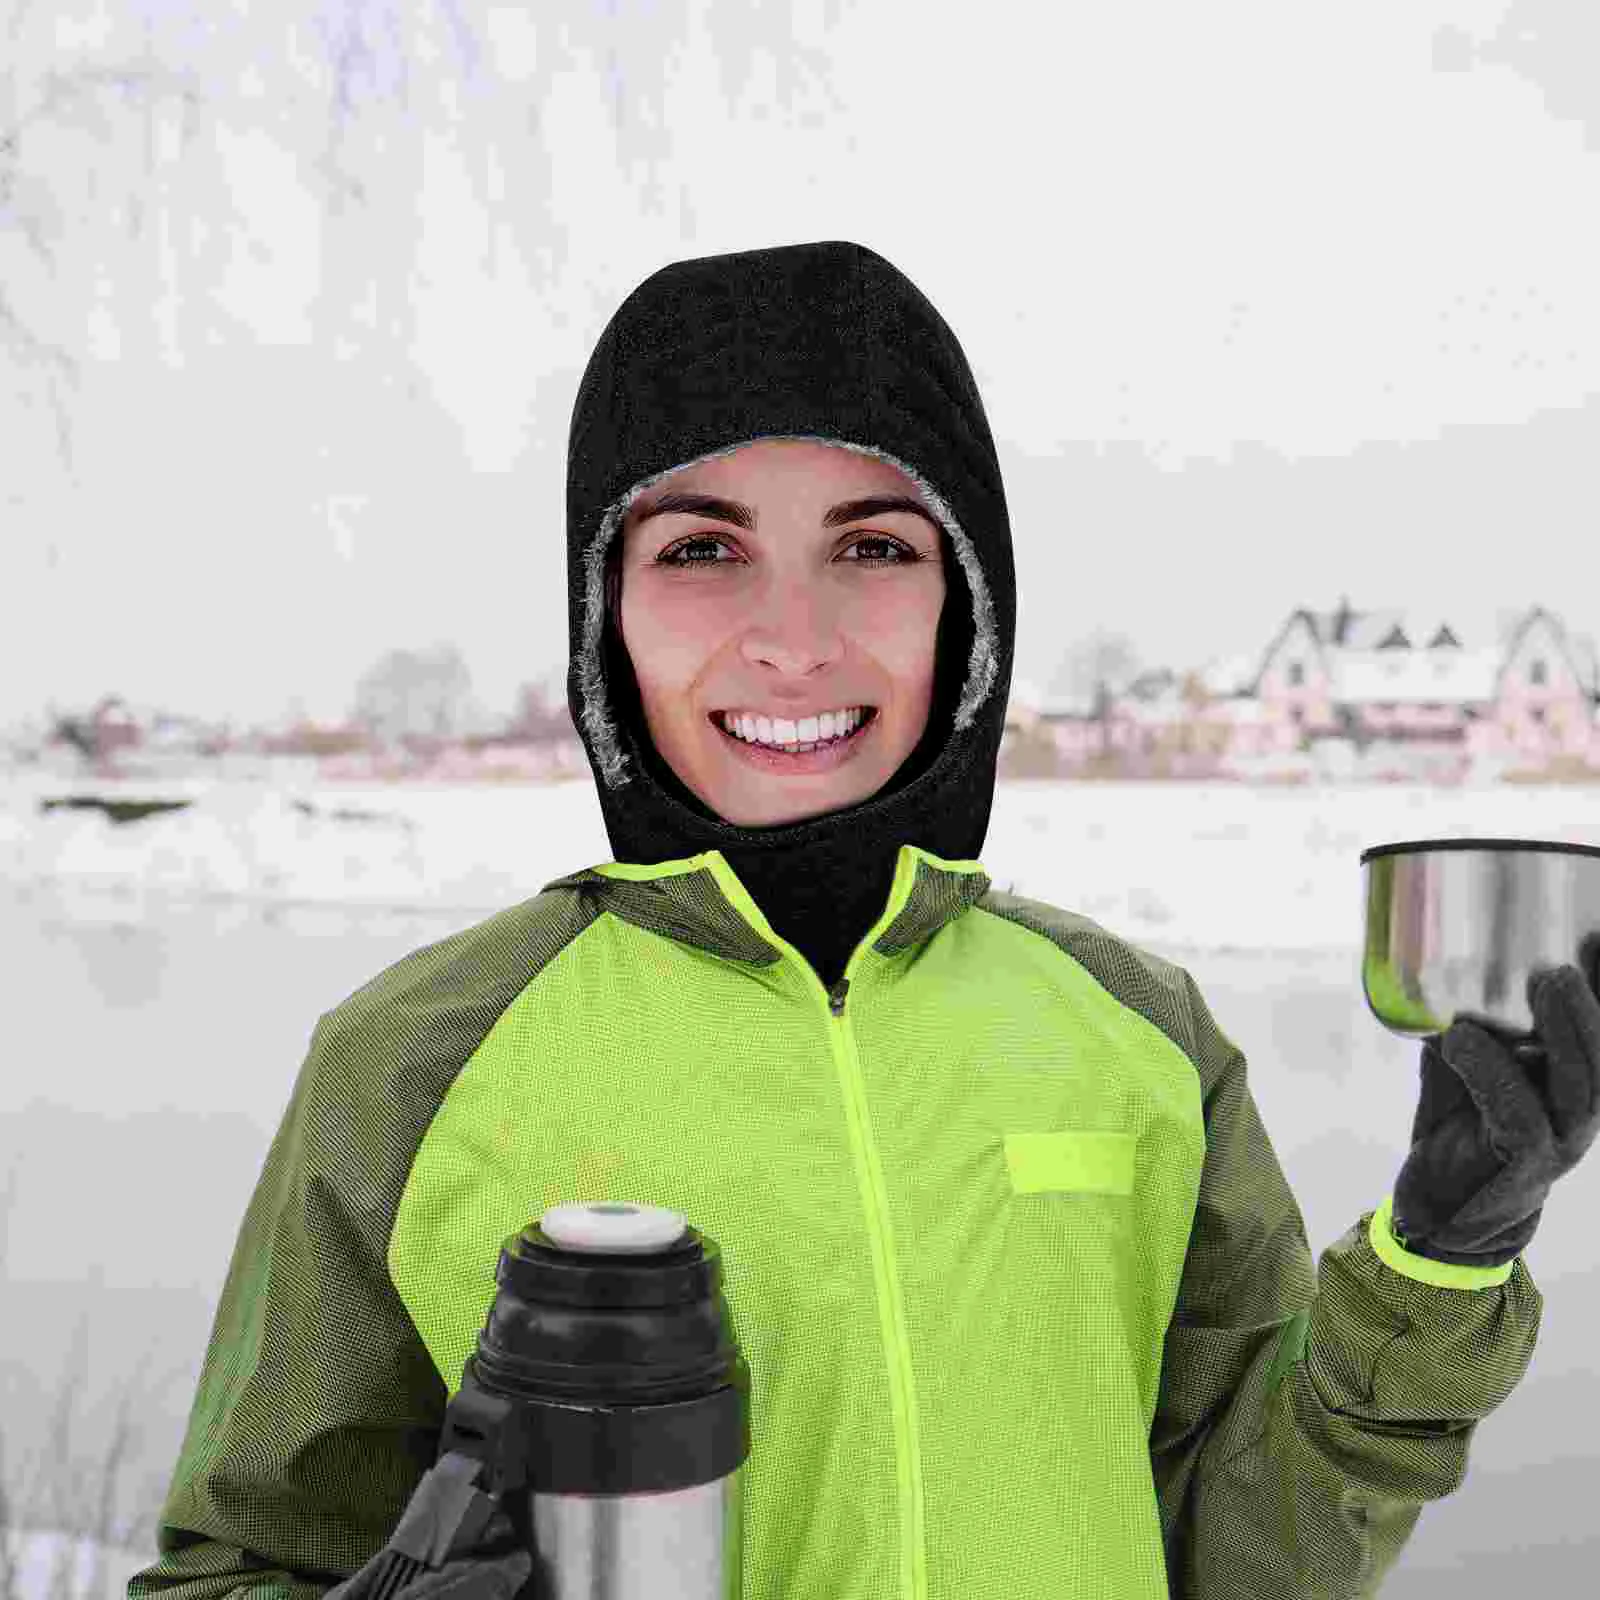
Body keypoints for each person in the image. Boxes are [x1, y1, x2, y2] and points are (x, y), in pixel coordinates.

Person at [129, 240, 1585, 1600]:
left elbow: (1241, 1549)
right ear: (602, 611)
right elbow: (235, 1562)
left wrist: (1440, 1260)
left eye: (876, 547)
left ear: (970, 605)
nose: (795, 637)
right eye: (701, 552)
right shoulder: (411, 1065)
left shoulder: (1140, 1035)